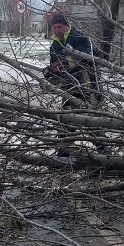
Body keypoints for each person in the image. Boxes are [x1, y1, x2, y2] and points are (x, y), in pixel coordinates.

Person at [45, 13, 107, 157]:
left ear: (67, 26)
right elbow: (56, 68)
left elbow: (87, 59)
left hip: (88, 87)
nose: (57, 30)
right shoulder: (55, 45)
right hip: (70, 88)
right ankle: (63, 153)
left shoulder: (81, 39)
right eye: (54, 28)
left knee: (90, 122)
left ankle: (105, 153)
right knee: (65, 121)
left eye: (59, 27)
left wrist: (66, 62)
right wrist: (52, 72)